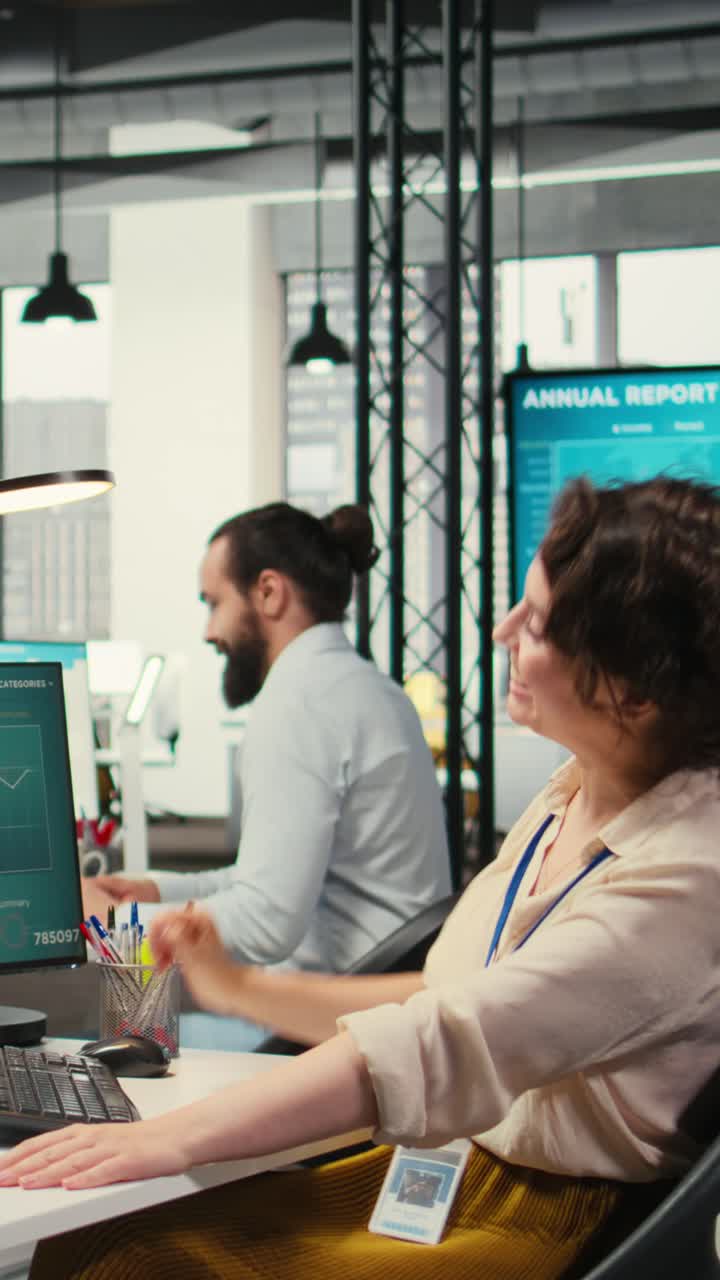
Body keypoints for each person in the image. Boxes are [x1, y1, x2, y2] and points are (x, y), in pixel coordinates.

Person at [5, 474, 720, 1280]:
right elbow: (448, 995)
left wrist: (167, 1133)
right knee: (101, 1241)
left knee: (121, 1256)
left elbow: (443, 1035)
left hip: (540, 1206)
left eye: (539, 624)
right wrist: (235, 986)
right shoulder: (576, 790)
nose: (503, 632)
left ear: (634, 689)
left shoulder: (684, 876)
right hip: (450, 1149)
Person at [81, 501, 452, 1047]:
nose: (209, 631)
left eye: (215, 604)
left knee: (101, 1047)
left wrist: (114, 923)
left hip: (327, 1029)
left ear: (270, 593)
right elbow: (269, 878)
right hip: (369, 1006)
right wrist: (155, 888)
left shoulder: (298, 704)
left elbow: (266, 922)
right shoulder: (365, 688)